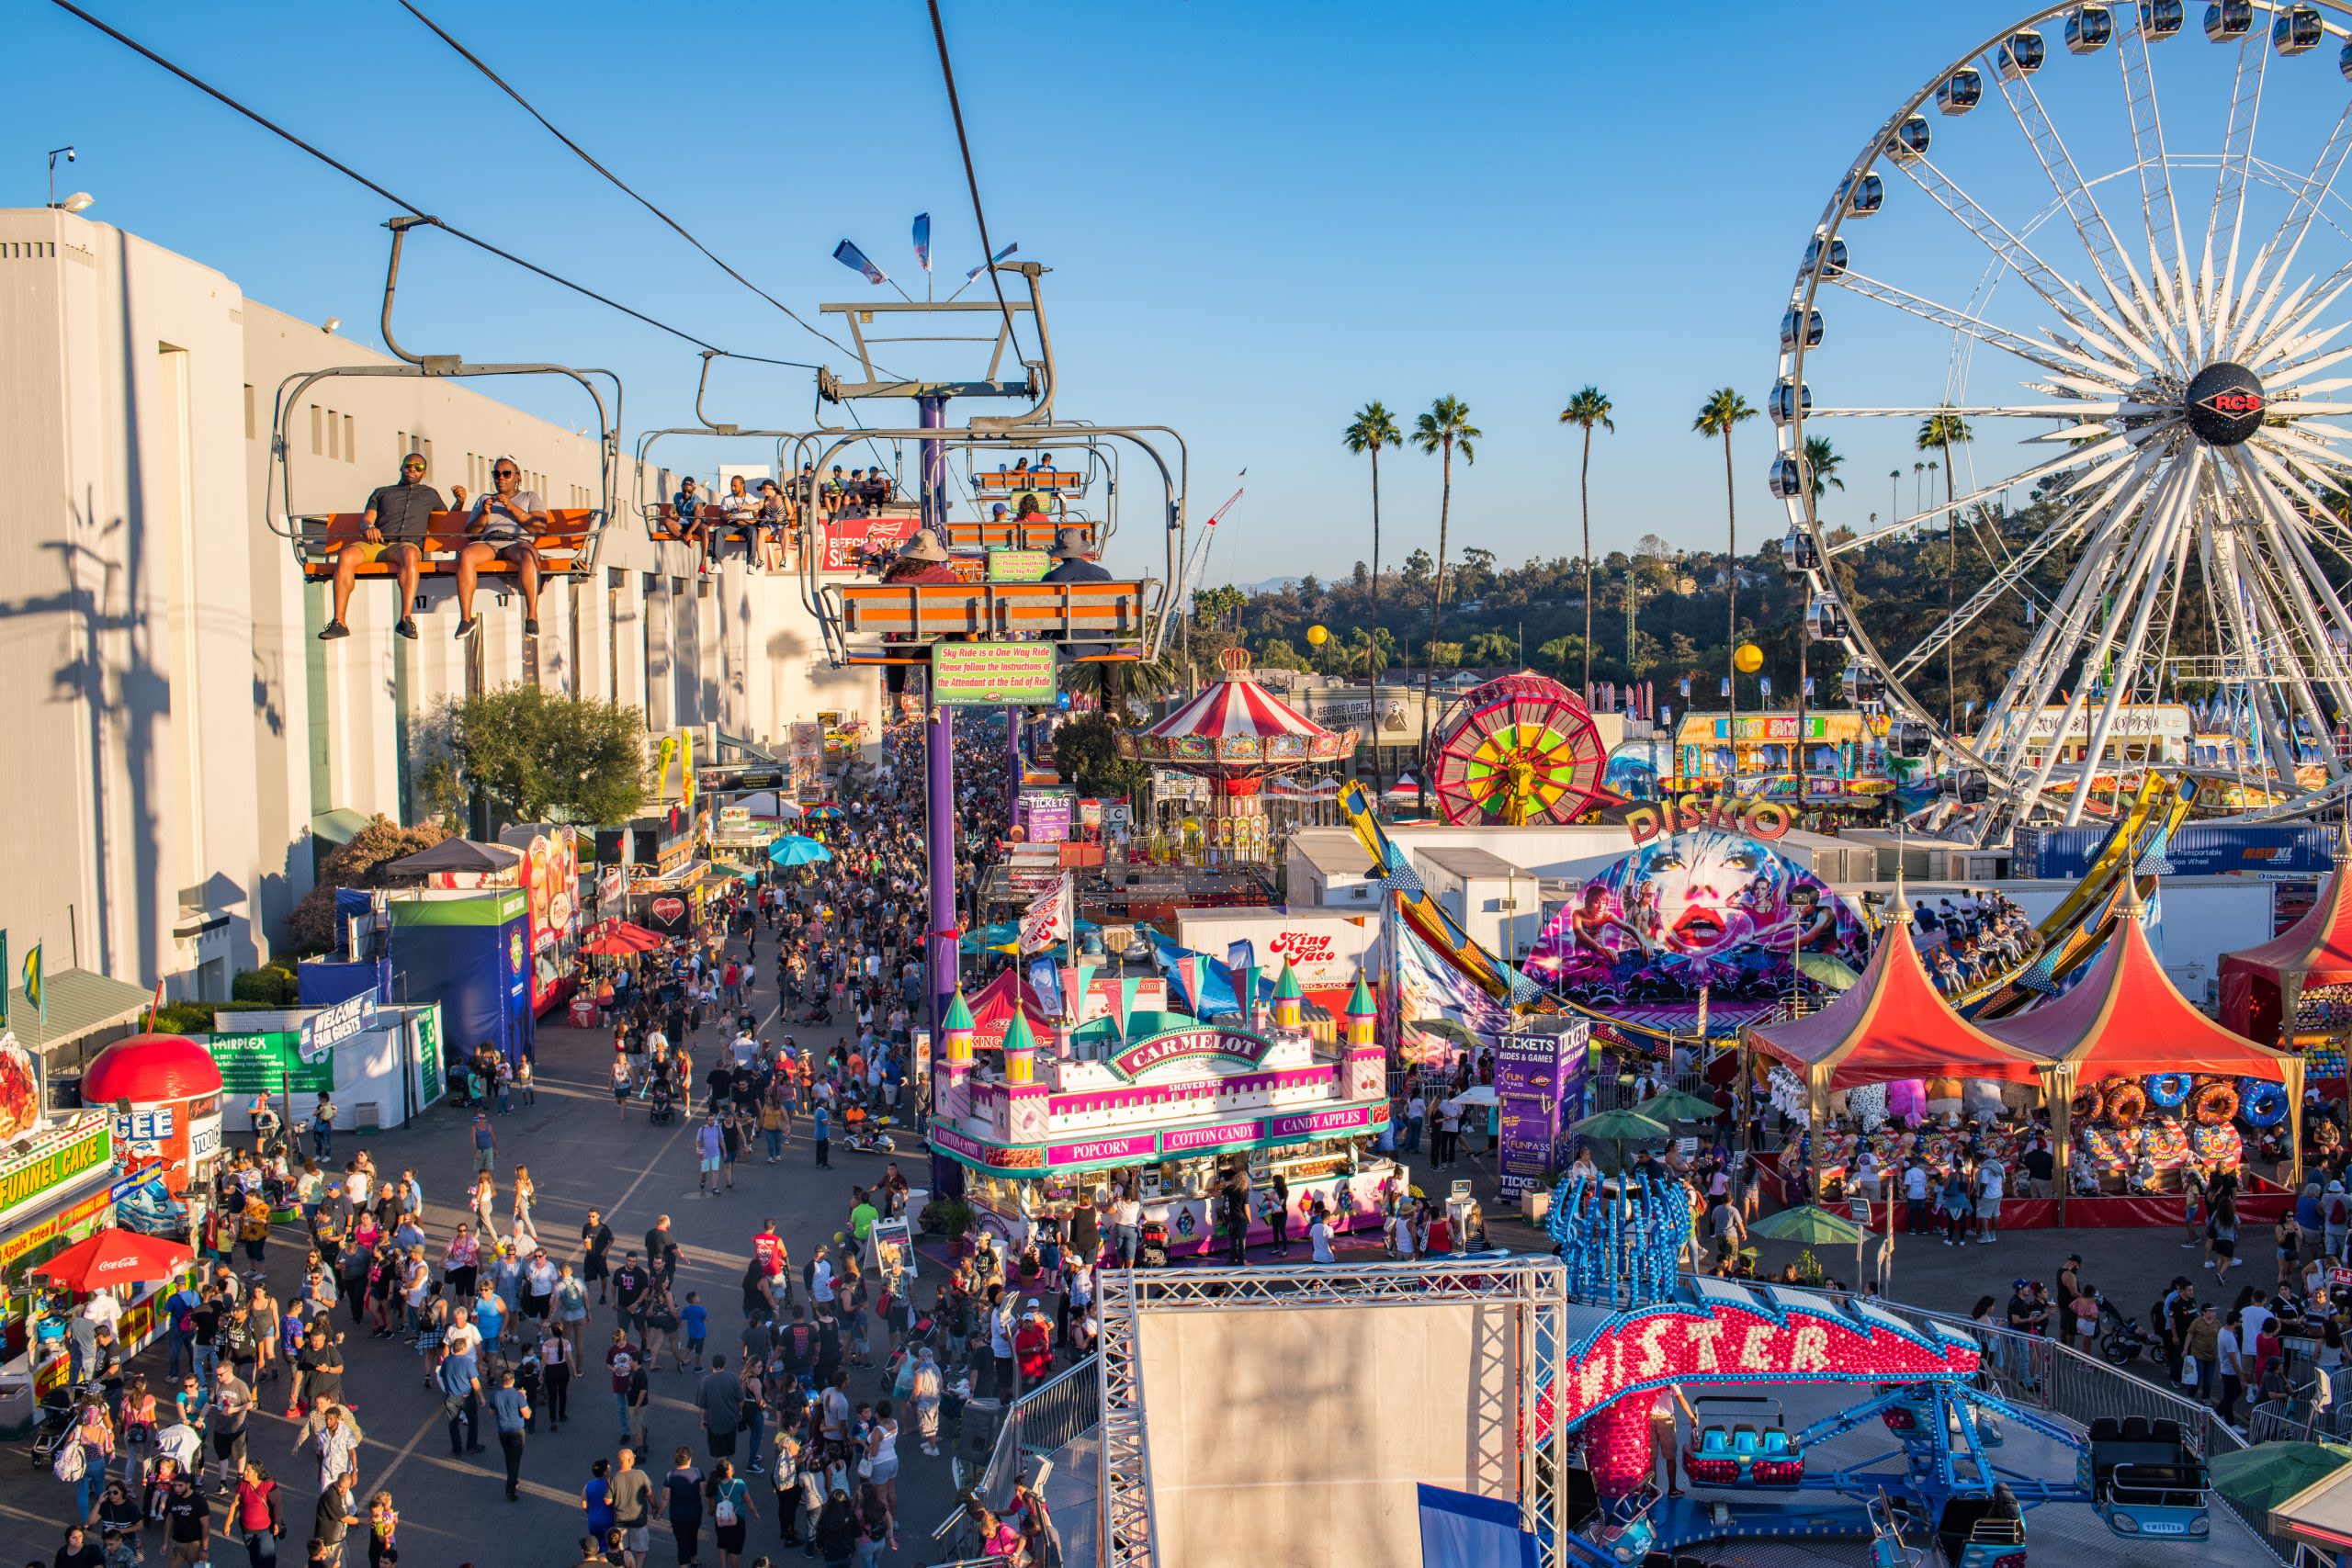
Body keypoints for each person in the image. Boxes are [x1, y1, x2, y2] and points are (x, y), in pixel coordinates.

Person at [320, 454, 442, 641]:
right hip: (378, 543)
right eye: (408, 465)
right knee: (346, 555)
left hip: (406, 545)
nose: (412, 469)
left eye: (418, 467)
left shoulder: (430, 495)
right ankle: (339, 622)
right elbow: (367, 519)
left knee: (409, 554)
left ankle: (405, 619)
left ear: (423, 473)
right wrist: (369, 527)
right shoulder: (382, 492)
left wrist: (459, 501)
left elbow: (447, 522)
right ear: (401, 468)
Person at [448, 457, 548, 642]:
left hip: (517, 541)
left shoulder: (529, 497)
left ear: (517, 476)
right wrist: (484, 515)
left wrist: (510, 506)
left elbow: (539, 527)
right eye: (496, 474)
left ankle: (532, 616)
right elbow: (471, 533)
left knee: (528, 555)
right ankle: (466, 619)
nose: (500, 478)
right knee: (467, 555)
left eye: (506, 474)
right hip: (490, 542)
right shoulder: (485, 499)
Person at [609, 1446, 654, 1568]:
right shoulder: (640, 1474)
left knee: (623, 1550)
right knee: (642, 1549)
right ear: (630, 1461)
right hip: (638, 1520)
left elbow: (607, 1500)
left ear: (620, 1462)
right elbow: (649, 1494)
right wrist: (655, 1508)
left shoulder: (614, 1477)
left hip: (620, 1521)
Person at [490, 1367, 530, 1501]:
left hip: (503, 1431)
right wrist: (525, 1399)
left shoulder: (495, 1395)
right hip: (517, 1431)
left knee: (509, 1457)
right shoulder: (518, 1396)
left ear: (502, 1382)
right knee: (515, 1460)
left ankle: (513, 1479)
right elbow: (527, 1414)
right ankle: (510, 1487)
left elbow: (491, 1413)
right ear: (512, 1381)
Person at [663, 1448, 706, 1568]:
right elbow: (704, 1493)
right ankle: (694, 1561)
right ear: (689, 1460)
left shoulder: (670, 1475)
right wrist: (712, 1507)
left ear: (675, 1461)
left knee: (682, 1542)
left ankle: (684, 1565)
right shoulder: (698, 1472)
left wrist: (659, 1511)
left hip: (678, 1517)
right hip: (695, 1514)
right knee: (693, 1536)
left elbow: (665, 1498)